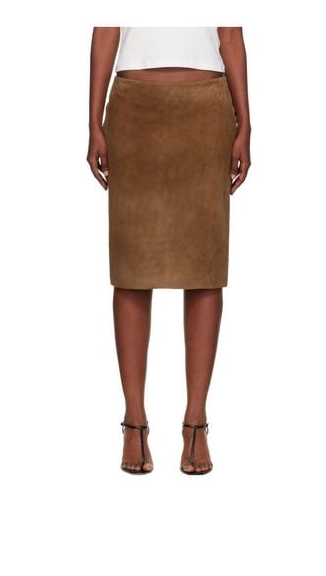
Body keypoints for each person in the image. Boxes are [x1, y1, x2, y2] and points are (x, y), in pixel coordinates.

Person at [87, 27, 251, 475]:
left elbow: (231, 35)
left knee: (204, 267)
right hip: (134, 107)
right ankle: (134, 421)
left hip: (206, 108)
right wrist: (94, 122)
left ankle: (196, 422)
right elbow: (106, 30)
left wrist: (245, 124)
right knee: (132, 269)